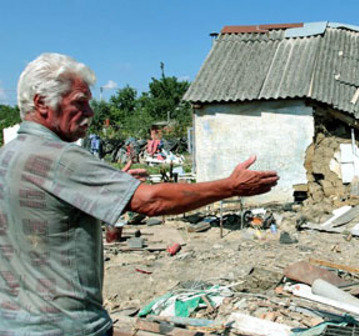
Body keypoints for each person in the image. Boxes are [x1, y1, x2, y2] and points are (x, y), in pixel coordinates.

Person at [0, 53, 279, 336]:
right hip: (65, 327)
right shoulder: (62, 159)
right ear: (42, 103)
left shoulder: (8, 155)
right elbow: (152, 201)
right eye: (79, 102)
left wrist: (114, 185)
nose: (90, 112)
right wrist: (230, 186)